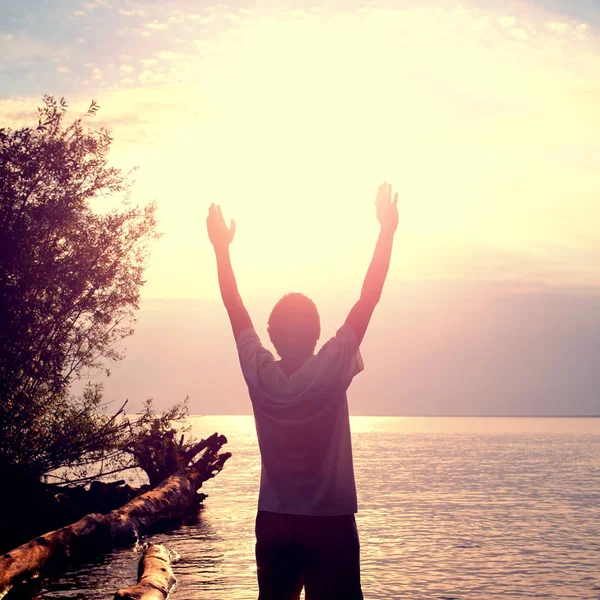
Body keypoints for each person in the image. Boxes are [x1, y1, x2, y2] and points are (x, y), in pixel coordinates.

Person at [207, 181, 398, 600]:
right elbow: (370, 298)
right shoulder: (331, 367)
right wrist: (387, 231)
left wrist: (222, 249)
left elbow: (233, 306)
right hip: (328, 521)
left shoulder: (258, 371)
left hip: (274, 520)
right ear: (317, 334)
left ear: (271, 335)